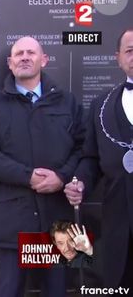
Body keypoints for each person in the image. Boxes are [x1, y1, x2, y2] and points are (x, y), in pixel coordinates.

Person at [0, 36, 84, 297]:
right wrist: (28, 177)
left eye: (31, 52)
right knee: (10, 289)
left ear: (43, 60)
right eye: (18, 53)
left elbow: (84, 148)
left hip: (59, 219)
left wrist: (62, 176)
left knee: (59, 289)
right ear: (10, 64)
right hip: (10, 219)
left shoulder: (67, 102)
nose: (25, 57)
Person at [64, 27, 133, 290]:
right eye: (130, 51)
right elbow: (91, 158)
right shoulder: (101, 104)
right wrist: (80, 181)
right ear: (118, 57)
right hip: (117, 227)